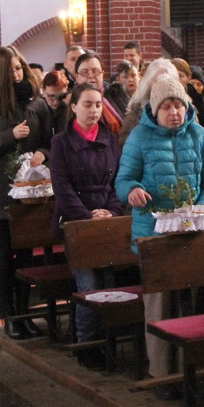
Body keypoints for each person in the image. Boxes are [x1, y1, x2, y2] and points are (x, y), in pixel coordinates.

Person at [115, 72, 204, 399]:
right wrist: (132, 191)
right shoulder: (140, 138)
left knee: (190, 304)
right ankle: (162, 375)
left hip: (191, 231)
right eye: (167, 106)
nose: (174, 112)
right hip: (154, 233)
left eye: (179, 105)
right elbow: (123, 181)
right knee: (159, 306)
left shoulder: (199, 135)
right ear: (154, 110)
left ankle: (191, 370)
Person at [0, 45, 51, 340]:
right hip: (1, 189)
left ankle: (25, 314)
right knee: (5, 255)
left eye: (20, 68)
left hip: (30, 188)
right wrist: (10, 136)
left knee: (28, 254)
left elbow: (48, 142)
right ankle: (9, 317)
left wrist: (43, 153)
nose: (17, 74)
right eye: (12, 70)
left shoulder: (37, 103)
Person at [49, 83, 124, 368]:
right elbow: (62, 187)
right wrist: (87, 216)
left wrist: (111, 211)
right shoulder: (61, 142)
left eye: (98, 105)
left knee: (110, 283)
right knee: (89, 284)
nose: (94, 110)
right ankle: (87, 346)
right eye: (88, 104)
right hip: (77, 222)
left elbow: (119, 180)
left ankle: (110, 344)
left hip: (108, 219)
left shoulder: (110, 138)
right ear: (74, 107)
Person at [119, 58, 180, 147]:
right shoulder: (136, 115)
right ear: (149, 83)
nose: (162, 86)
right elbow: (127, 150)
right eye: (158, 81)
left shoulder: (186, 112)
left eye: (167, 80)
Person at [75, 51, 124, 131]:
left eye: (95, 71)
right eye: (85, 72)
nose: (91, 75)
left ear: (102, 74)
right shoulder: (72, 102)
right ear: (76, 77)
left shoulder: (116, 94)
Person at [171, 58, 204, 125]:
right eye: (173, 76)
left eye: (180, 76)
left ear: (189, 77)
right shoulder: (164, 96)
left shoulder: (196, 98)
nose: (176, 79)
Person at [41, 70, 69, 134]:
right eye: (51, 96)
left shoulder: (74, 107)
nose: (56, 102)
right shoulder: (37, 109)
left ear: (66, 88)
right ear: (43, 90)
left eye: (61, 96)